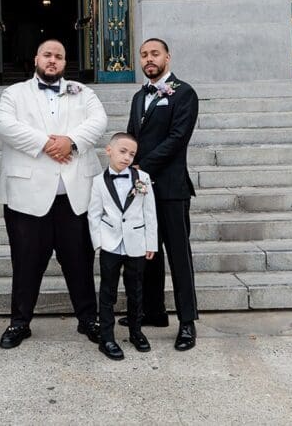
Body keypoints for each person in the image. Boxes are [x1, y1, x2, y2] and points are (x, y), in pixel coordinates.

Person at [0, 39, 108, 349]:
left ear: (64, 61)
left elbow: (99, 121)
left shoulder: (83, 92)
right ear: (36, 58)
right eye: (47, 54)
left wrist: (70, 141)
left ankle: (88, 320)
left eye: (59, 55)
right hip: (26, 197)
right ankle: (19, 322)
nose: (53, 60)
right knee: (26, 263)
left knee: (80, 262)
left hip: (76, 196)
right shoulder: (13, 93)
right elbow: (4, 125)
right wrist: (47, 143)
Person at [122, 38, 200, 351]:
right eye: (144, 55)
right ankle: (154, 312)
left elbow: (178, 138)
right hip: (143, 190)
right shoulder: (138, 96)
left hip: (171, 188)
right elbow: (131, 135)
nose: (149, 59)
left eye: (155, 54)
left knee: (179, 256)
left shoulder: (184, 92)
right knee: (148, 253)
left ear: (167, 56)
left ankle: (187, 322)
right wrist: (125, 160)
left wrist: (142, 164)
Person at [87, 132, 158, 360]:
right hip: (110, 244)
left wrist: (151, 242)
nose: (127, 157)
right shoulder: (98, 181)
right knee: (107, 291)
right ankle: (106, 337)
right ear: (109, 150)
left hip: (136, 243)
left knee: (136, 290)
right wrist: (99, 242)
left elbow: (150, 213)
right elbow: (94, 214)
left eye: (132, 154)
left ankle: (136, 332)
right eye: (123, 151)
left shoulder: (142, 178)